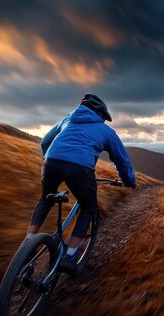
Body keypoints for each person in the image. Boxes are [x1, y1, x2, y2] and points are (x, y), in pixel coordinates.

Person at [28, 94, 136, 273]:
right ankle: (69, 256)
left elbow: (46, 141)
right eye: (103, 117)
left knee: (46, 199)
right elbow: (122, 160)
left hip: (51, 162)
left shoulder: (67, 120)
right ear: (99, 113)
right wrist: (129, 181)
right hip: (80, 169)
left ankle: (28, 243)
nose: (103, 120)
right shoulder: (106, 131)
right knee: (89, 208)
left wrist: (53, 159)